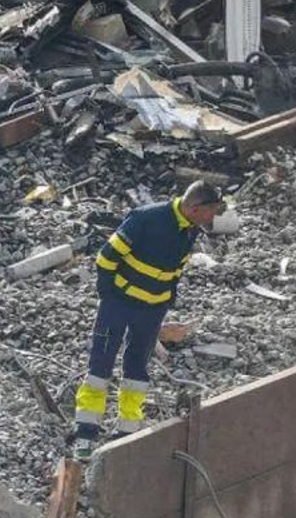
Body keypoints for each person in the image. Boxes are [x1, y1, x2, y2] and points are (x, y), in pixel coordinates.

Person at [73, 180, 226, 459]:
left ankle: (127, 430)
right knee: (101, 361)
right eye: (211, 210)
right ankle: (86, 432)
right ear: (195, 208)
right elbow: (106, 257)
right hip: (118, 304)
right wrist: (109, 295)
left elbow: (176, 268)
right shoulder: (146, 218)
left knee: (137, 366)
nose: (213, 217)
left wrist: (167, 298)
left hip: (152, 310)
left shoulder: (190, 229)